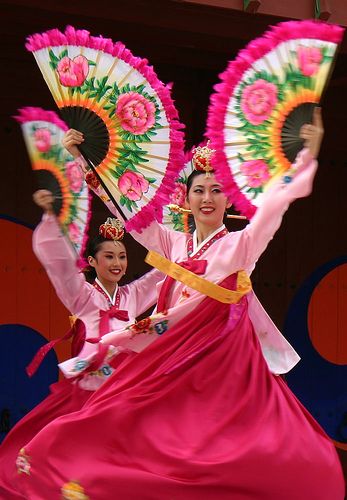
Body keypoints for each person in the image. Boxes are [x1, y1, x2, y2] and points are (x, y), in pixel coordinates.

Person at [15, 109, 345, 499]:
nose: (207, 198)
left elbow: (275, 208)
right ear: (186, 198)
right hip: (169, 358)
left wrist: (308, 153)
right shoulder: (173, 241)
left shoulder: (239, 245)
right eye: (198, 190)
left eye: (216, 190)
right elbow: (131, 215)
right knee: (120, 419)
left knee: (221, 451)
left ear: (229, 198)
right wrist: (84, 159)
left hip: (215, 364)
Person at [0, 190, 163, 499]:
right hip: (89, 391)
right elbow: (60, 266)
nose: (117, 263)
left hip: (124, 391)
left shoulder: (132, 296)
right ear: (91, 261)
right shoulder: (82, 295)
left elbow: (163, 275)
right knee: (72, 458)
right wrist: (51, 216)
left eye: (122, 256)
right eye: (109, 256)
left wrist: (187, 233)